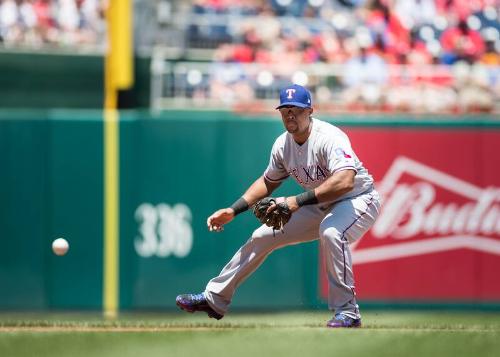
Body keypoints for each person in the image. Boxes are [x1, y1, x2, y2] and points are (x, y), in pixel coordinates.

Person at [176, 84, 381, 328]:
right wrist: (234, 209)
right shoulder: (283, 145)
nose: (290, 115)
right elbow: (267, 181)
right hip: (319, 204)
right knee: (263, 235)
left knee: (332, 232)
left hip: (358, 199)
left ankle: (347, 312)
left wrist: (295, 201)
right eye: (285, 110)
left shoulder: (329, 137)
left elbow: (345, 181)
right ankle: (214, 299)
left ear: (310, 111)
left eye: (296, 109)